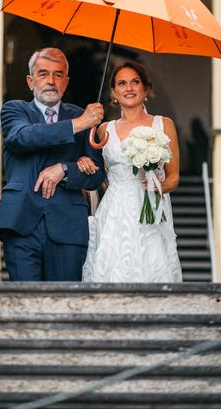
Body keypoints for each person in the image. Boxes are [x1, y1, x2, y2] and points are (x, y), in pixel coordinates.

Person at [0, 47, 106, 281]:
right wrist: (78, 124)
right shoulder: (14, 110)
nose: (51, 81)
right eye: (43, 74)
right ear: (30, 81)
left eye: (58, 74)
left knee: (63, 305)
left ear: (66, 82)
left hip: (68, 227)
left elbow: (96, 175)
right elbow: (22, 138)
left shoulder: (82, 116)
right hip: (21, 223)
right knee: (25, 304)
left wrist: (66, 169)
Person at [80, 61, 182, 283]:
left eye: (135, 82)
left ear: (146, 89)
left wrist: (157, 187)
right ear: (114, 92)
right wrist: (84, 159)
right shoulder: (104, 129)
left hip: (151, 208)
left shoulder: (164, 125)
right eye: (122, 83)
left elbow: (173, 177)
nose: (129, 88)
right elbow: (100, 175)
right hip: (114, 209)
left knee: (152, 264)